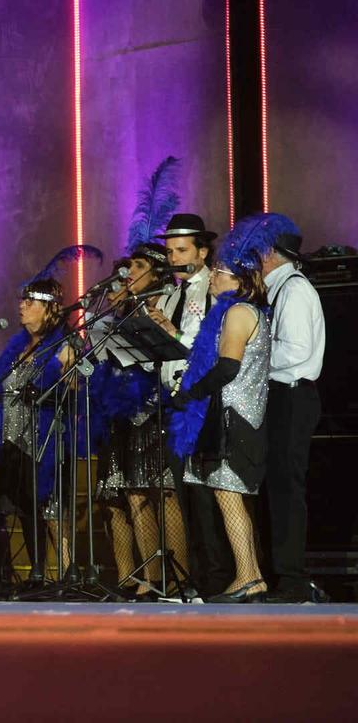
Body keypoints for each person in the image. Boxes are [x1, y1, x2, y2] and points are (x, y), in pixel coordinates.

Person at [222, 213, 323, 603]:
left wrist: (250, 355)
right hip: (275, 394)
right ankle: (271, 573)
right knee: (272, 486)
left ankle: (292, 578)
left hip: (291, 396)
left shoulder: (294, 290)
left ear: (270, 254)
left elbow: (296, 354)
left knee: (285, 486)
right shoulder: (274, 291)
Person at [92, 242, 190, 597]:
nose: (130, 273)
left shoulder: (169, 302)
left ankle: (176, 574)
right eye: (128, 266)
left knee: (162, 492)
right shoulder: (120, 311)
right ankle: (140, 577)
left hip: (156, 406)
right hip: (121, 412)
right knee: (125, 494)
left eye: (138, 266)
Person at [0, 251, 89, 584]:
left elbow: (74, 388)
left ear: (49, 308)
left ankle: (69, 573)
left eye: (29, 302)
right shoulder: (16, 348)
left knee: (51, 508)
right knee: (21, 507)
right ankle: (35, 574)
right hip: (13, 439)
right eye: (21, 301)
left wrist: (61, 379)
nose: (21, 307)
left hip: (46, 439)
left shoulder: (64, 345)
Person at [170, 260, 272, 602]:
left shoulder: (239, 312)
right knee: (226, 497)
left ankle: (248, 577)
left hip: (235, 419)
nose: (212, 277)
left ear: (239, 280)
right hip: (230, 417)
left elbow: (228, 367)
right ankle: (252, 575)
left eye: (219, 273)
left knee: (229, 497)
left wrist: (191, 393)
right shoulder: (236, 311)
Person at [158, 210, 226, 593]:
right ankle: (197, 578)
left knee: (204, 494)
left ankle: (217, 576)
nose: (175, 259)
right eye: (169, 252)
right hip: (172, 400)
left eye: (182, 250)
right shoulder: (169, 294)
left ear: (202, 251)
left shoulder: (212, 288)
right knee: (184, 495)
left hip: (202, 401)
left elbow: (209, 347)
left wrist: (172, 333)